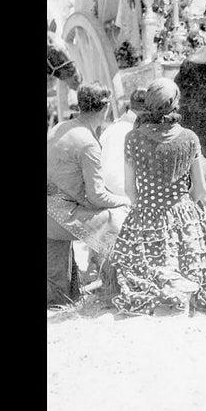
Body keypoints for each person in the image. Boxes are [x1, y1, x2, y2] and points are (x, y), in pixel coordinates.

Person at [110, 79, 206, 317]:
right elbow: (200, 190)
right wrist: (183, 206)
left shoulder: (133, 138)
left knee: (141, 268)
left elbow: (130, 189)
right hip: (183, 212)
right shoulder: (189, 137)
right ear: (175, 105)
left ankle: (165, 294)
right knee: (195, 264)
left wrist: (146, 207)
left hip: (146, 212)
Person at [46, 83, 131, 306]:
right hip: (61, 215)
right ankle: (111, 289)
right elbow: (97, 197)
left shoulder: (59, 127)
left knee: (58, 293)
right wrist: (125, 201)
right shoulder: (87, 143)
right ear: (104, 108)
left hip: (50, 212)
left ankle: (62, 296)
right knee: (117, 218)